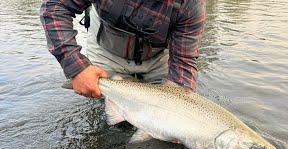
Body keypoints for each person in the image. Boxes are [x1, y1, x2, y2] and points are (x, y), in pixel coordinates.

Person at [40, 0, 206, 98]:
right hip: (107, 49)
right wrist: (77, 68)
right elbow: (55, 7)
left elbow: (183, 62)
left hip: (156, 58)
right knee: (103, 113)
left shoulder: (191, 5)